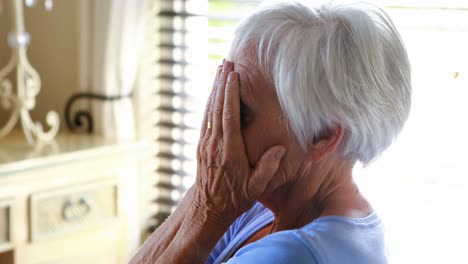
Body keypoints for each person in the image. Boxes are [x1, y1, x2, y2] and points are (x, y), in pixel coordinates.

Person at [130, 1, 411, 263]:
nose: (218, 134)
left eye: (240, 113)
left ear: (321, 135)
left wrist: (208, 208)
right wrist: (204, 196)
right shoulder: (260, 207)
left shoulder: (292, 254)